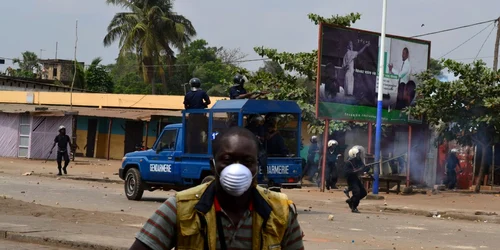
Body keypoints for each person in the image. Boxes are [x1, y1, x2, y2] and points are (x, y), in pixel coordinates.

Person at [129, 126, 304, 250]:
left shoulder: (281, 213)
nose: (237, 169)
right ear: (213, 165)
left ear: (257, 167)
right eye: (227, 160)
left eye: (247, 162)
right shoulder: (180, 208)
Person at [344, 146, 369, 213]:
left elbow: (363, 167)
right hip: (351, 180)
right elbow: (346, 173)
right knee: (357, 192)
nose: (359, 155)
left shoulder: (359, 160)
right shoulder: (348, 163)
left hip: (357, 179)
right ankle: (354, 207)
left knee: (363, 193)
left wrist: (366, 168)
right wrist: (356, 171)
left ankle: (351, 201)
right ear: (353, 155)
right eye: (357, 154)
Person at [246, 115, 268, 181]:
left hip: (258, 147)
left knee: (263, 157)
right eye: (256, 121)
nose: (257, 123)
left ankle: (265, 175)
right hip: (249, 147)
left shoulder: (260, 128)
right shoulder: (247, 128)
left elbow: (263, 138)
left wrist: (259, 138)